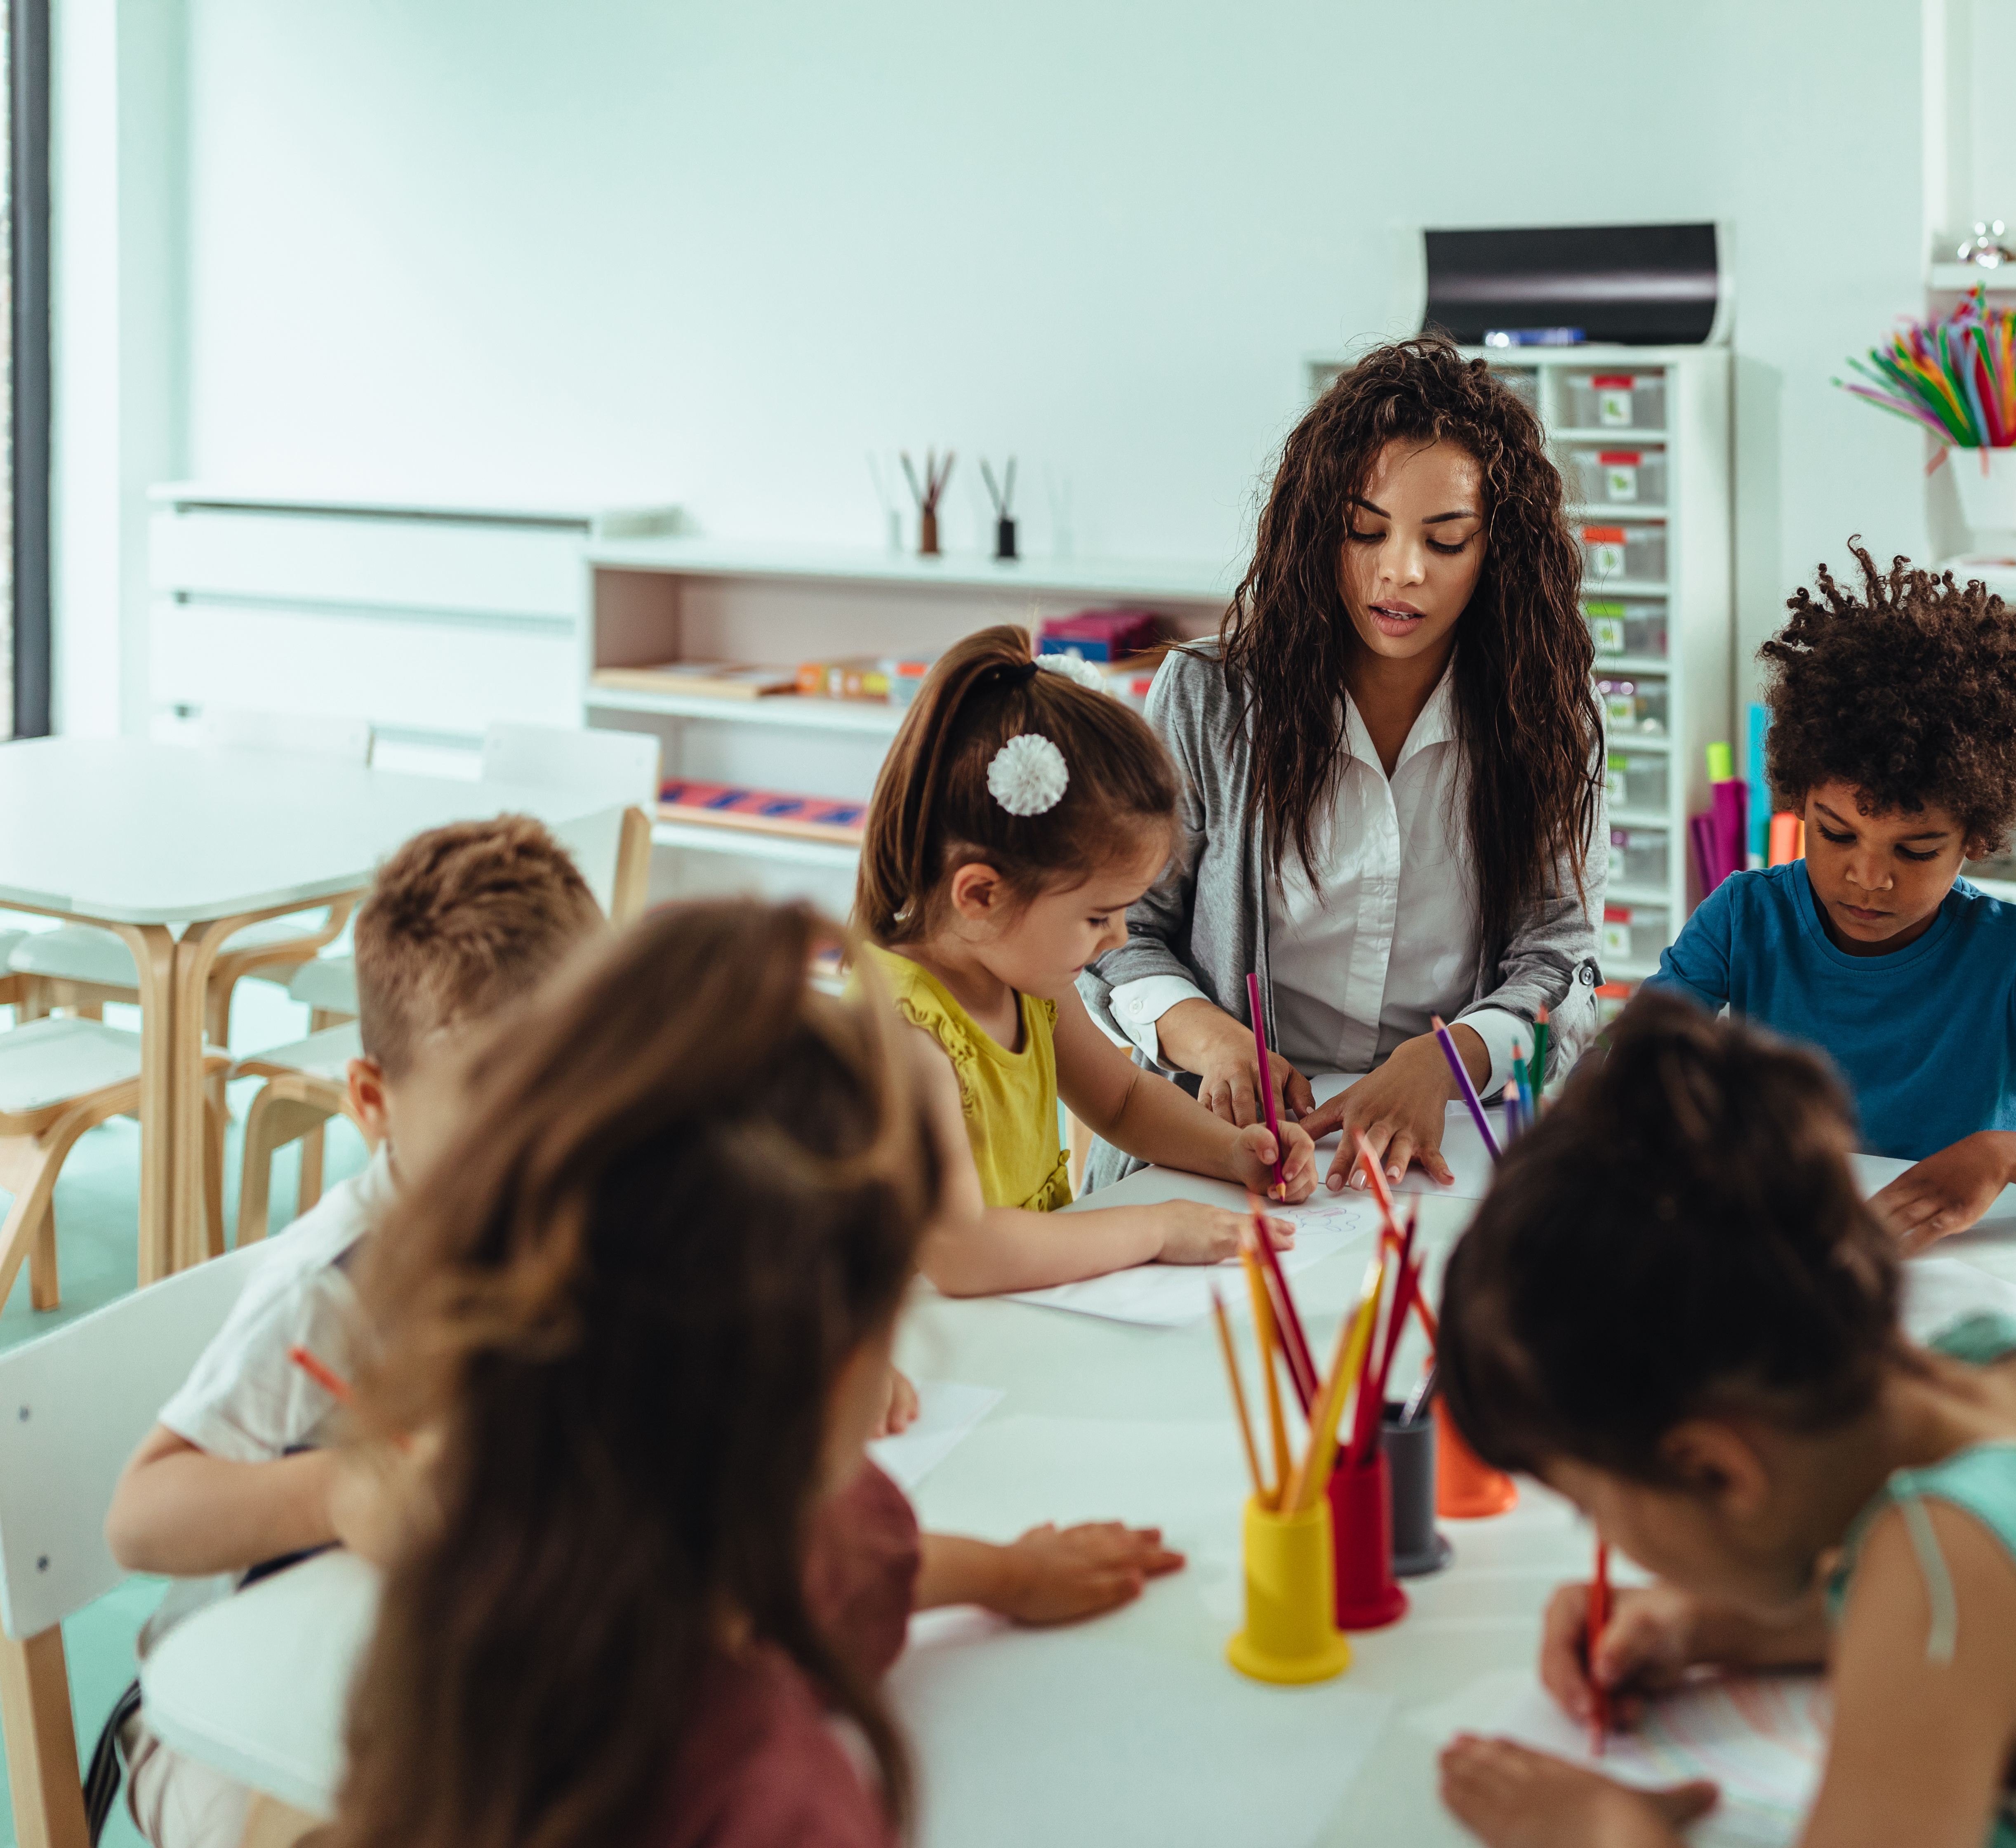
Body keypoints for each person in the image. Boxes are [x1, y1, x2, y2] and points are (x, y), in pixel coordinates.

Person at [1430, 994, 2016, 1848]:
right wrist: (1720, 1624)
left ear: (1719, 1471)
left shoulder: (1941, 1571)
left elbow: (1963, 1604)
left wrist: (1614, 1835)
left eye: (1598, 1511)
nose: (1608, 1545)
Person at [325, 900, 1183, 1848]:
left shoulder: (489, 1586)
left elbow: (835, 1568)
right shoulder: (776, 1796)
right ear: (844, 1367)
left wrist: (1007, 1572)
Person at [101, 816, 606, 1848]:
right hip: (216, 1728)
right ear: (374, 1101)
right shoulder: (331, 1287)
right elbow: (141, 1516)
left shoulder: (569, 1223)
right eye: (495, 1102)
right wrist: (345, 1489)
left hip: (424, 1669)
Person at [1082, 336, 1605, 1194]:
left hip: (1437, 1140)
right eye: (1365, 530)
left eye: (1445, 542)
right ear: (1318, 527)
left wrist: (1448, 1059)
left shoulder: (1547, 712)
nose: (1400, 571)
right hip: (1216, 1138)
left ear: (1496, 553)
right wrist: (1209, 1035)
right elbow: (1118, 931)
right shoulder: (1210, 697)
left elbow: (1561, 961)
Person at [1646, 544, 2016, 1245]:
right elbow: (1623, 1073)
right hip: (1770, 1253)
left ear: (1977, 836)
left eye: (1916, 850)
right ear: (1800, 802)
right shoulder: (1743, 917)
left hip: (1943, 1269)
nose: (1869, 878)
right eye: (1836, 834)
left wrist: (2009, 1155)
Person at [853, 627, 1317, 1296]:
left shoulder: (1024, 981)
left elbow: (1123, 1101)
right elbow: (965, 1253)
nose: (1120, 939)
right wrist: (1155, 1230)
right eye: (1098, 917)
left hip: (1023, 1325)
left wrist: (1232, 1153)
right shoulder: (902, 1032)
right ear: (981, 894)